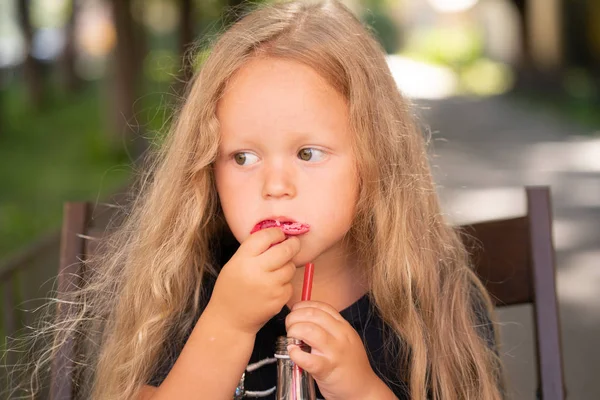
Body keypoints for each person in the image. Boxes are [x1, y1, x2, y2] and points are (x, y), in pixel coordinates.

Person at [11, 1, 505, 399]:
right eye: (243, 157)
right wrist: (226, 325)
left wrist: (360, 388)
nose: (274, 185)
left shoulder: (429, 297)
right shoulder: (186, 286)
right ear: (207, 168)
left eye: (308, 153)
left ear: (376, 158)